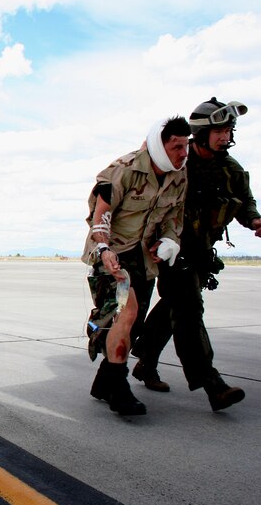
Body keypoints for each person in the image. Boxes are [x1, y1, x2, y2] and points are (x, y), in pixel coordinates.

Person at [131, 98, 258, 412]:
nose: (225, 135)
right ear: (202, 131)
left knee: (172, 309)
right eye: (219, 130)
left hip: (200, 254)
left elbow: (245, 201)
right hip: (169, 251)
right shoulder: (178, 162)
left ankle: (145, 361)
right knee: (189, 311)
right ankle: (212, 384)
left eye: (229, 129)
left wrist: (255, 220)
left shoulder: (231, 169)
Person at [83, 116, 190, 416]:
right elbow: (100, 214)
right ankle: (119, 391)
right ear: (161, 145)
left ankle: (104, 382)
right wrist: (104, 249)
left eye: (186, 146)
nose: (183, 153)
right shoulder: (125, 169)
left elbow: (173, 217)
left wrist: (170, 241)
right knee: (126, 313)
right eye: (177, 147)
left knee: (134, 322)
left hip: (141, 256)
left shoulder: (179, 175)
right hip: (111, 252)